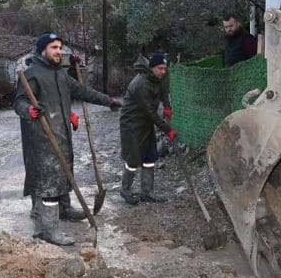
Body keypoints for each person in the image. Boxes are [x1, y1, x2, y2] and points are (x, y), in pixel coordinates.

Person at [14, 32, 120, 246]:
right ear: (43, 50)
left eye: (60, 48)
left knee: (64, 172)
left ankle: (64, 209)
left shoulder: (60, 74)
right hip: (42, 139)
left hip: (62, 133)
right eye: (54, 48)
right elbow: (19, 102)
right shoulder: (33, 74)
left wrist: (108, 100)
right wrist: (29, 110)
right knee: (50, 183)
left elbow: (82, 91)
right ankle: (49, 230)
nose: (59, 51)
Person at [119, 53, 176, 205]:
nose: (163, 71)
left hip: (146, 122)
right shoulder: (141, 84)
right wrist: (168, 129)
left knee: (150, 156)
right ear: (152, 68)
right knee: (133, 158)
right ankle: (125, 189)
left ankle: (147, 192)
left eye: (165, 68)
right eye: (160, 68)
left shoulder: (158, 78)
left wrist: (167, 106)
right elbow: (150, 112)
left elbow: (163, 91)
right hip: (132, 124)